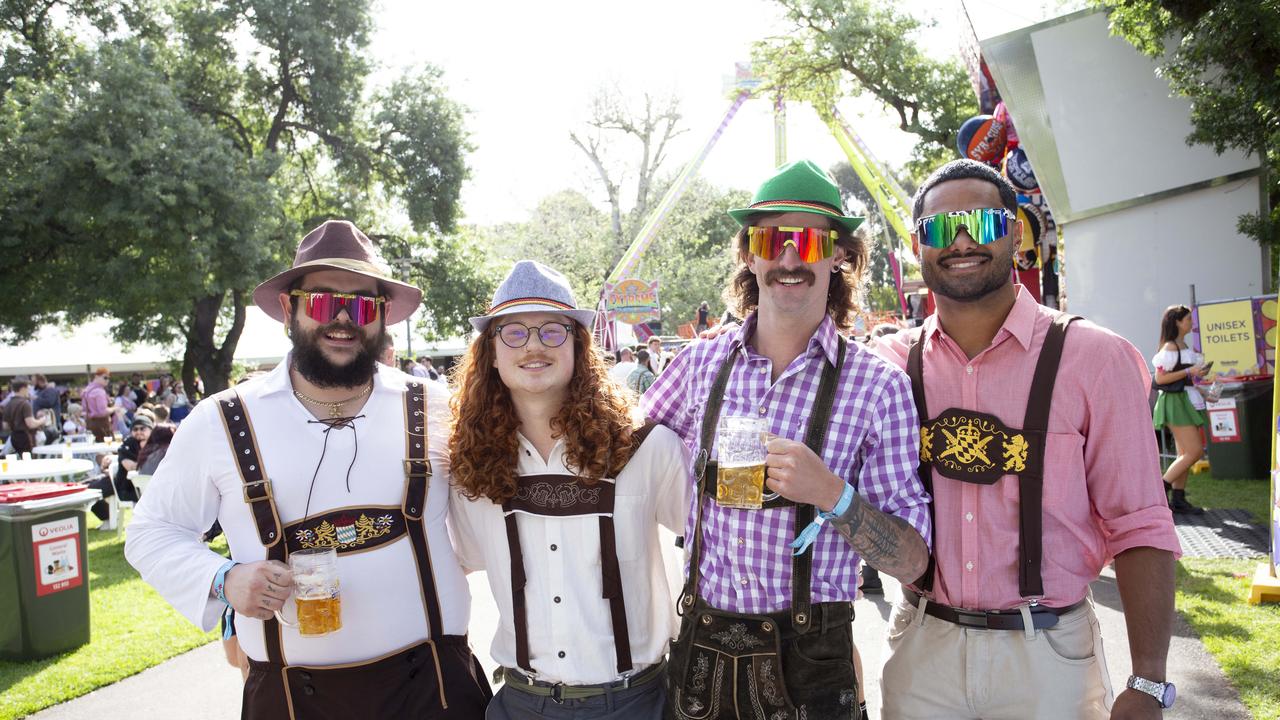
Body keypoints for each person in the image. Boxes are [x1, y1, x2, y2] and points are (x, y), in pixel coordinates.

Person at [126, 219, 491, 718]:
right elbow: (151, 532)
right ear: (288, 308)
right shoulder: (223, 420)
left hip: (436, 690)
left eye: (362, 304)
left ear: (382, 317)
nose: (343, 319)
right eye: (322, 302)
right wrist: (223, 579)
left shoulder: (434, 405)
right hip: (291, 700)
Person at [872, 159, 1180, 719]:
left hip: (1049, 657)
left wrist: (1150, 681)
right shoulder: (889, 366)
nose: (961, 240)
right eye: (941, 228)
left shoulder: (1096, 358)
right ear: (919, 246)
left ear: (1016, 230)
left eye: (982, 223)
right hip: (922, 645)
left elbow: (1140, 522)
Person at [644, 160, 931, 720]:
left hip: (814, 666)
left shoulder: (879, 386)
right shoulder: (700, 364)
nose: (789, 258)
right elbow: (618, 452)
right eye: (771, 239)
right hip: (701, 657)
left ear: (839, 254)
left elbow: (913, 562)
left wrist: (832, 493)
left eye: (807, 240)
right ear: (749, 254)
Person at [448, 260, 689, 719]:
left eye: (553, 331)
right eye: (514, 332)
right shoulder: (470, 465)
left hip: (635, 704)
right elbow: (462, 559)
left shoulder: (644, 447)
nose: (534, 345)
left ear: (578, 347)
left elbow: (712, 540)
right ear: (491, 354)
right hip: (520, 704)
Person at [1151, 304, 1208, 514]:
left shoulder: (1181, 345)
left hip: (1183, 401)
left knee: (1184, 453)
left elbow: (1184, 378)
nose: (1191, 323)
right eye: (1187, 320)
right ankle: (1160, 489)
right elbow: (1160, 378)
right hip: (1174, 403)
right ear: (1177, 322)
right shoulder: (1171, 347)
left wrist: (1202, 391)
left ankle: (1178, 499)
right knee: (1194, 452)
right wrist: (1188, 371)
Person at [89, 411, 152, 526]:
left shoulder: (156, 444)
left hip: (149, 486)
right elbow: (130, 467)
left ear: (150, 430)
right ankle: (109, 517)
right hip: (126, 486)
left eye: (142, 428)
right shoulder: (128, 443)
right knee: (90, 492)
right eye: (135, 429)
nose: (138, 432)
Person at [2, 378, 47, 457]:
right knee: (28, 461)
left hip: (13, 437)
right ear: (23, 389)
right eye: (28, 388)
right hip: (26, 437)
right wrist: (42, 420)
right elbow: (30, 424)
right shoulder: (24, 404)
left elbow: (5, 426)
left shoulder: (8, 404)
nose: (28, 391)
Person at [82, 368, 115, 441]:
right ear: (97, 377)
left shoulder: (87, 390)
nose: (107, 380)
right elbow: (103, 412)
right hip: (101, 424)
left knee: (95, 449)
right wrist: (115, 408)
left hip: (89, 423)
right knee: (109, 449)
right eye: (105, 378)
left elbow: (84, 410)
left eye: (108, 378)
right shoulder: (99, 391)